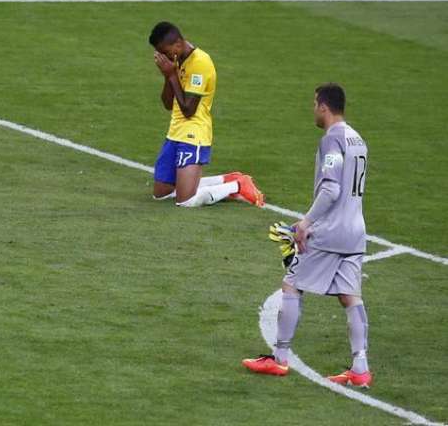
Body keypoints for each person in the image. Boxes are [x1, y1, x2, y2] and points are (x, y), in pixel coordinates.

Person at [242, 83, 372, 387]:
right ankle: (360, 368)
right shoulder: (358, 138)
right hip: (356, 231)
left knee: (291, 284)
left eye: (315, 104)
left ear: (324, 107)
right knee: (350, 296)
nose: (313, 109)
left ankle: (280, 358)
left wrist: (305, 223)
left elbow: (331, 188)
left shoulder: (332, 140)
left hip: (330, 232)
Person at [148, 21, 264, 208]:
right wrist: (167, 75)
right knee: (161, 195)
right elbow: (168, 104)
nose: (164, 56)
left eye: (165, 51)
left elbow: (188, 110)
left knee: (185, 201)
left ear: (177, 44)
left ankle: (237, 185)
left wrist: (172, 75)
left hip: (194, 134)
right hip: (175, 132)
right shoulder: (177, 61)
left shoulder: (200, 63)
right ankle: (226, 178)